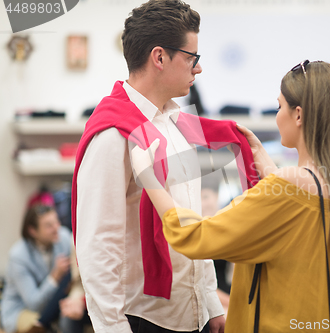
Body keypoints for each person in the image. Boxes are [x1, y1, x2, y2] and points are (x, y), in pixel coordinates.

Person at [131, 60, 330, 332]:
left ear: (299, 115)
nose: (278, 115)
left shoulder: (288, 187)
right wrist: (269, 169)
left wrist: (149, 177)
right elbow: (297, 225)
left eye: (280, 106)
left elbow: (195, 236)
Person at [72, 1, 225, 332]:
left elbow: (194, 216)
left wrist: (211, 304)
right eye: (191, 58)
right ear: (159, 57)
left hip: (192, 312)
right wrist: (113, 328)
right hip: (145, 319)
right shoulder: (113, 133)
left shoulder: (178, 121)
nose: (198, 69)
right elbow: (98, 243)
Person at [0, 205, 87, 333]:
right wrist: (54, 277)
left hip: (55, 303)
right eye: (48, 226)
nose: (56, 228)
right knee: (45, 329)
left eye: (57, 221)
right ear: (33, 231)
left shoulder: (63, 236)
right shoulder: (18, 256)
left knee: (68, 317)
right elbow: (34, 304)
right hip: (21, 309)